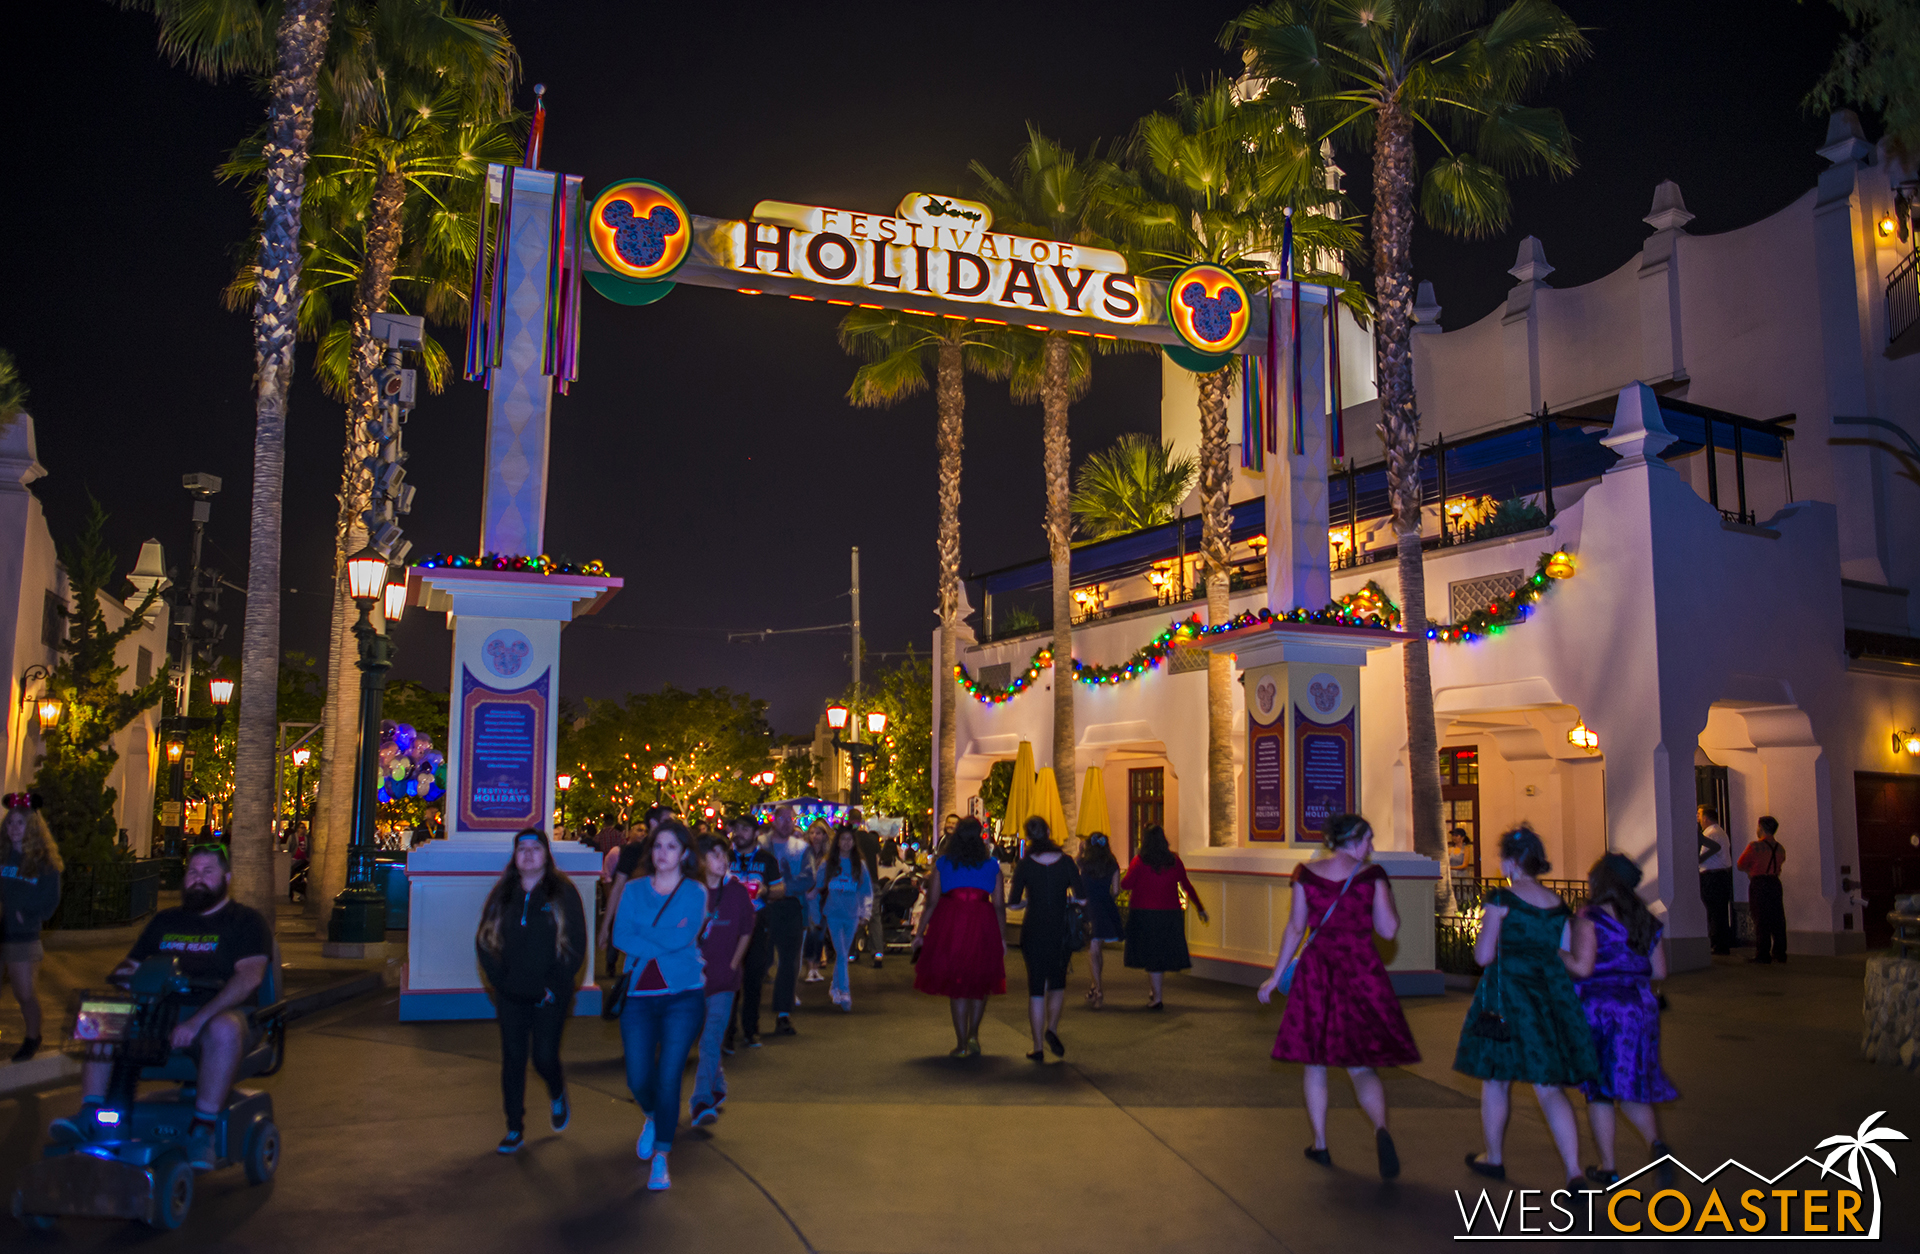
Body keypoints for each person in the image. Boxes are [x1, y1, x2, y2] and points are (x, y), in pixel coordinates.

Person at [63, 845, 271, 1170]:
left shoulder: (246, 922)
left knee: (224, 1028)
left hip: (222, 1013)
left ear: (227, 878)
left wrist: (197, 1022)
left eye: (207, 872)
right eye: (192, 872)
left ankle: (204, 1129)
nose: (197, 879)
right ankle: (90, 1116)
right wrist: (123, 983)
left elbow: (248, 979)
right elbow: (130, 967)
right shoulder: (165, 921)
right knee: (101, 1011)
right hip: (161, 1013)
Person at [1258, 813, 1418, 1179]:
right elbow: (1388, 930)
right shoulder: (1371, 877)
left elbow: (1297, 926)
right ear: (1354, 840)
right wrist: (1383, 899)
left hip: (1318, 973)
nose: (1372, 847)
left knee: (1315, 1063)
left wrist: (1275, 976)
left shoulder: (1305, 875)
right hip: (1361, 971)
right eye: (1369, 840)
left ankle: (1321, 1144)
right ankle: (1380, 1129)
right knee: (1361, 1066)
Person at [1454, 826, 1598, 1193]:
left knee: (1497, 1080)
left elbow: (1484, 955)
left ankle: (1495, 1157)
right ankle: (1573, 1171)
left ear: (1513, 861)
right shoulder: (1557, 905)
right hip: (1548, 997)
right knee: (1549, 1088)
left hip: (1506, 995)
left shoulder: (1502, 898)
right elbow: (1564, 954)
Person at [1564, 853, 1677, 1186]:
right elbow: (1659, 971)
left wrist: (1556, 953)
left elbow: (1582, 967)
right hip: (1639, 1009)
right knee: (1630, 1083)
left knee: (1599, 1090)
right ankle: (1656, 1144)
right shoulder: (1645, 917)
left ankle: (1609, 1166)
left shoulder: (1591, 916)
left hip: (1601, 1008)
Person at [611, 820, 708, 1192]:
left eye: (670, 846)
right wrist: (661, 941)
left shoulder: (695, 891)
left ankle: (662, 1157)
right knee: (638, 1076)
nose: (662, 853)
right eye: (657, 846)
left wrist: (646, 939)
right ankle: (652, 1116)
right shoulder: (634, 890)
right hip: (639, 995)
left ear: (684, 853)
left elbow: (685, 934)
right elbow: (621, 935)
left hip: (683, 995)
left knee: (668, 1076)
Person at [475, 829, 587, 1154]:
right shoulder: (503, 893)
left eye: (534, 848)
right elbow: (484, 940)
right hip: (510, 992)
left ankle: (556, 1091)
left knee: (543, 1057)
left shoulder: (562, 893)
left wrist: (552, 985)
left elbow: (575, 945)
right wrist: (500, 981)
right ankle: (514, 1127)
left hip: (549, 993)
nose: (527, 854)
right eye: (521, 848)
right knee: (512, 1058)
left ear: (546, 854)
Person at [911, 816, 1006, 1056]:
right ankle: (974, 1032)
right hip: (983, 920)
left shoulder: (943, 864)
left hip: (951, 920)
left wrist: (920, 932)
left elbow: (931, 902)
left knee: (957, 984)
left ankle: (962, 1042)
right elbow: (998, 905)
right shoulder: (991, 865)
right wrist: (1002, 937)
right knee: (981, 980)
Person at [690, 834, 754, 1127]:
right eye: (714, 855)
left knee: (711, 1037)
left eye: (724, 854)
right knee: (702, 1036)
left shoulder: (737, 893)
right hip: (693, 978)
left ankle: (701, 1099)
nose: (722, 860)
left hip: (724, 979)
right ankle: (718, 1083)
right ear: (701, 860)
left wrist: (733, 964)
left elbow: (745, 930)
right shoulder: (690, 892)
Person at [1008, 816, 1084, 1061]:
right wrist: (1068, 900)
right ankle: (1052, 1028)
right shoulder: (1066, 862)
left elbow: (1014, 902)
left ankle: (1038, 1046)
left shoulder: (1026, 864)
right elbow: (1082, 898)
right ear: (1049, 831)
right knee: (1058, 982)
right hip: (1059, 929)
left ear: (1028, 837)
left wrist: (1030, 900)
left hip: (1034, 928)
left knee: (1036, 987)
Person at [1, 796, 62, 1061]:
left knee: (24, 993)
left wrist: (22, 910)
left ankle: (32, 1036)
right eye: (10, 822)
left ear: (33, 827)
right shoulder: (2, 855)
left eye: (20, 823)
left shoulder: (44, 862)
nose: (14, 827)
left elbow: (49, 902)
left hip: (22, 936)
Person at [1121, 824, 1208, 1011]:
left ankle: (1157, 997)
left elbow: (1126, 884)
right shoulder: (1174, 861)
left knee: (1151, 956)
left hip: (1144, 913)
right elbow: (1187, 886)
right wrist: (1200, 908)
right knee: (1160, 955)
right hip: (1170, 914)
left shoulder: (1139, 861)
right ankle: (1155, 992)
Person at [727, 815, 787, 1048]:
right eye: (736, 828)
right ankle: (727, 1031)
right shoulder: (725, 857)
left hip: (756, 926)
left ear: (754, 834)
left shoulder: (766, 860)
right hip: (727, 928)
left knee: (753, 980)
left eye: (745, 829)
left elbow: (780, 889)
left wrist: (764, 890)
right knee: (729, 979)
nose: (739, 833)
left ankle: (751, 1029)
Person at [761, 805, 815, 1035]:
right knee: (758, 961)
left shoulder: (801, 848)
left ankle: (784, 1013)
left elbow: (808, 878)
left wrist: (781, 890)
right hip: (762, 908)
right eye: (781, 818)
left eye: (789, 819)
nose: (786, 822)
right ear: (773, 820)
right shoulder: (760, 845)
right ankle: (747, 1016)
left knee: (788, 962)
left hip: (790, 907)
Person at [816, 825, 873, 1010]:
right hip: (833, 913)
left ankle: (835, 987)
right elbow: (816, 884)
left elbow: (867, 891)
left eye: (850, 839)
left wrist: (866, 913)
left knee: (843, 953)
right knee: (841, 952)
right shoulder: (828, 863)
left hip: (852, 915)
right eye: (843, 839)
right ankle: (845, 991)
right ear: (837, 842)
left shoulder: (860, 865)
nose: (846, 843)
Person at [1077, 832, 1123, 1010]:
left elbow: (1074, 868)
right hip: (1105, 906)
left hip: (1089, 907)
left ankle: (1099, 989)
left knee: (1093, 949)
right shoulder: (1112, 864)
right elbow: (1117, 890)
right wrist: (1107, 897)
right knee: (1097, 949)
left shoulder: (1084, 863)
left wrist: (1080, 851)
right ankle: (1094, 985)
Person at [1738, 816, 1787, 964]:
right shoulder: (1780, 848)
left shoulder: (1755, 846)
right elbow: (1780, 863)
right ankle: (1780, 952)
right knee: (1778, 918)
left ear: (1762, 828)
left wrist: (1751, 870)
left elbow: (1741, 863)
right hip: (1775, 882)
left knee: (1761, 918)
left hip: (1759, 883)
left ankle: (1763, 953)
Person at [1696, 806, 1735, 956]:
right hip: (1721, 876)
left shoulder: (1711, 834)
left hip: (1712, 877)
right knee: (1720, 911)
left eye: (1699, 814)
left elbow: (1704, 856)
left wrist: (1696, 860)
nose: (1698, 818)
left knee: (1714, 912)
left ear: (1706, 817)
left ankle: (1717, 944)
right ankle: (1721, 943)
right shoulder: (1720, 832)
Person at [801, 821, 832, 985]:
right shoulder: (805, 852)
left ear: (824, 835)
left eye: (818, 833)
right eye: (812, 833)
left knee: (820, 933)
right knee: (811, 932)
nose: (815, 836)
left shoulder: (828, 855)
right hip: (808, 897)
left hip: (825, 897)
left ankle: (815, 968)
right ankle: (810, 966)